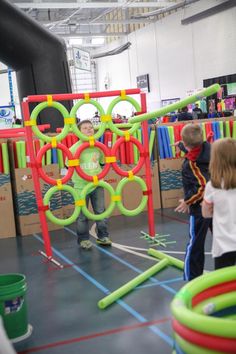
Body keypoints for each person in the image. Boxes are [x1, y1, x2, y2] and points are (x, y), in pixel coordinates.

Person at [174, 123, 212, 281]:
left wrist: (187, 201)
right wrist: (183, 146)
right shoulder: (209, 148)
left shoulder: (191, 164)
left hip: (200, 208)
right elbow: (197, 149)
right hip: (217, 203)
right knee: (223, 238)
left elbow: (203, 187)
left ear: (187, 143)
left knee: (195, 244)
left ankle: (192, 279)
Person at [68, 120, 112, 250]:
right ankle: (83, 240)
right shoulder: (73, 149)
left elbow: (103, 163)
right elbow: (68, 166)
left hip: (97, 184)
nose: (89, 130)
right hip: (81, 187)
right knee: (81, 216)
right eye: (85, 128)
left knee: (100, 212)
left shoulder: (99, 146)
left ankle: (103, 236)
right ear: (78, 132)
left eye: (91, 127)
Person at [202, 138, 236, 269]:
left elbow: (206, 214)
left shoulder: (212, 186)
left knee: (224, 286)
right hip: (224, 245)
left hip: (223, 245)